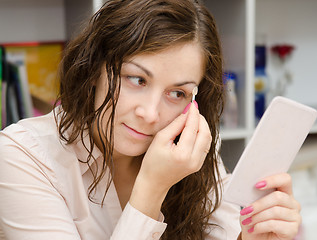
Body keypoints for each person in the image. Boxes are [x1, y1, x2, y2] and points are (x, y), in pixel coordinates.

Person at [0, 0, 301, 239]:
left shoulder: (190, 148)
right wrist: (152, 188)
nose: (150, 114)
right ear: (94, 69)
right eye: (137, 80)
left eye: (177, 93)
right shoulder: (22, 156)